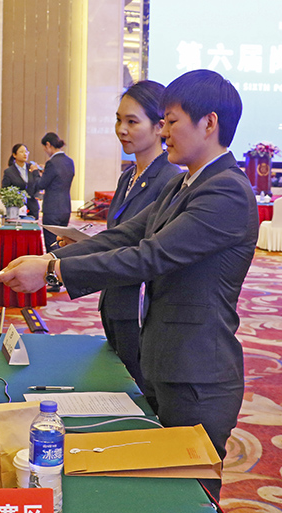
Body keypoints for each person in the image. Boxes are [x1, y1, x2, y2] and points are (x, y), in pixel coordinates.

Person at [0, 69, 258, 501]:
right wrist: (49, 260)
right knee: (160, 493)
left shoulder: (224, 191)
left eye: (171, 122)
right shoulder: (185, 183)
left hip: (198, 374)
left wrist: (55, 273)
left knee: (192, 501)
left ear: (209, 123)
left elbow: (149, 257)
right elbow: (124, 237)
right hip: (166, 360)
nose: (164, 132)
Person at [94, 81, 181, 387]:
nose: (122, 130)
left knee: (139, 389)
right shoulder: (128, 176)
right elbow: (121, 233)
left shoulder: (170, 180)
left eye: (132, 122)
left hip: (140, 309)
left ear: (159, 127)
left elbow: (150, 250)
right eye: (119, 120)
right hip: (115, 299)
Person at [37, 132, 74, 261]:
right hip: (65, 208)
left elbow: (41, 184)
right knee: (62, 243)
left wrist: (36, 172)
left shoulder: (52, 163)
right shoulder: (69, 161)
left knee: (52, 245)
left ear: (48, 145)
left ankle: (52, 270)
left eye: (44, 148)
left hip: (52, 209)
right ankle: (62, 267)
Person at [1, 144, 42, 219]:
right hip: (16, 209)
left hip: (32, 208)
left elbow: (38, 185)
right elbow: (5, 191)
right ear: (14, 155)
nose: (25, 154)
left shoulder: (32, 168)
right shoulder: (9, 172)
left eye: (26, 152)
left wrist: (36, 172)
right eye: (21, 152)